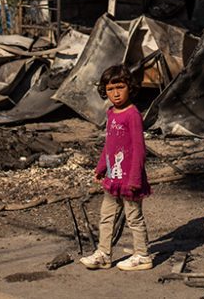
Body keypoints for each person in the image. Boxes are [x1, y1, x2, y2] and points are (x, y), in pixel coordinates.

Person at [79, 64, 152, 271]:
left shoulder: (133, 115)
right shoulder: (111, 113)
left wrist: (135, 179)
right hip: (113, 177)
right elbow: (110, 145)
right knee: (106, 216)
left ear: (129, 87)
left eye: (120, 87)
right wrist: (101, 168)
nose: (116, 93)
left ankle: (142, 256)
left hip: (130, 179)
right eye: (110, 89)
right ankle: (104, 254)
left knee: (134, 218)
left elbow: (139, 149)